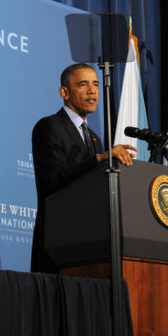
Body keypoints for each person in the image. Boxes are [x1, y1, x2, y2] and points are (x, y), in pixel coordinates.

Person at [30, 63, 137, 273]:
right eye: (83, 84)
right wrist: (99, 159)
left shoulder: (95, 138)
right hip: (57, 240)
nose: (92, 91)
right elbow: (53, 179)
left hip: (90, 244)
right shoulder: (50, 126)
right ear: (64, 92)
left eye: (96, 84)